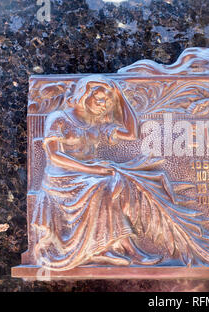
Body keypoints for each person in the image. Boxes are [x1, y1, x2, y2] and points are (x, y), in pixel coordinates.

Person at [31, 75, 161, 270]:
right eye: (100, 99)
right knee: (101, 186)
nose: (104, 105)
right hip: (61, 179)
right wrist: (92, 169)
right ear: (84, 95)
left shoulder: (96, 124)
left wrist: (120, 96)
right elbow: (55, 156)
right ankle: (124, 249)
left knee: (125, 180)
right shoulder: (59, 118)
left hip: (88, 176)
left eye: (108, 102)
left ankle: (116, 246)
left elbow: (132, 134)